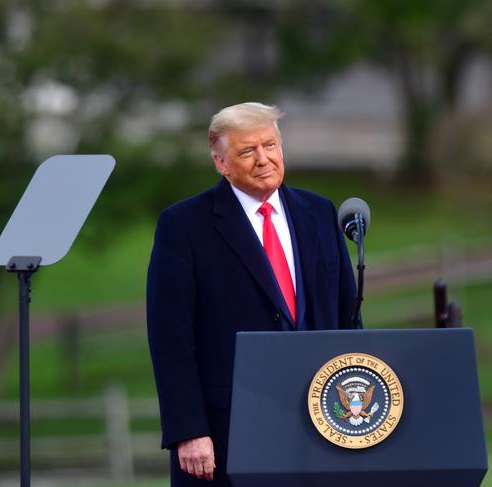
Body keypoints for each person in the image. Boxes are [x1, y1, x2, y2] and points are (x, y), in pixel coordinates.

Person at [147, 102, 359, 486]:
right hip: (228, 429)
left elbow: (347, 317)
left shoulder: (319, 212)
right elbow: (170, 337)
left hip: (320, 423)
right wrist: (189, 430)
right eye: (247, 151)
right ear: (221, 163)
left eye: (270, 146)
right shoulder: (184, 226)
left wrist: (355, 411)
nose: (264, 159)